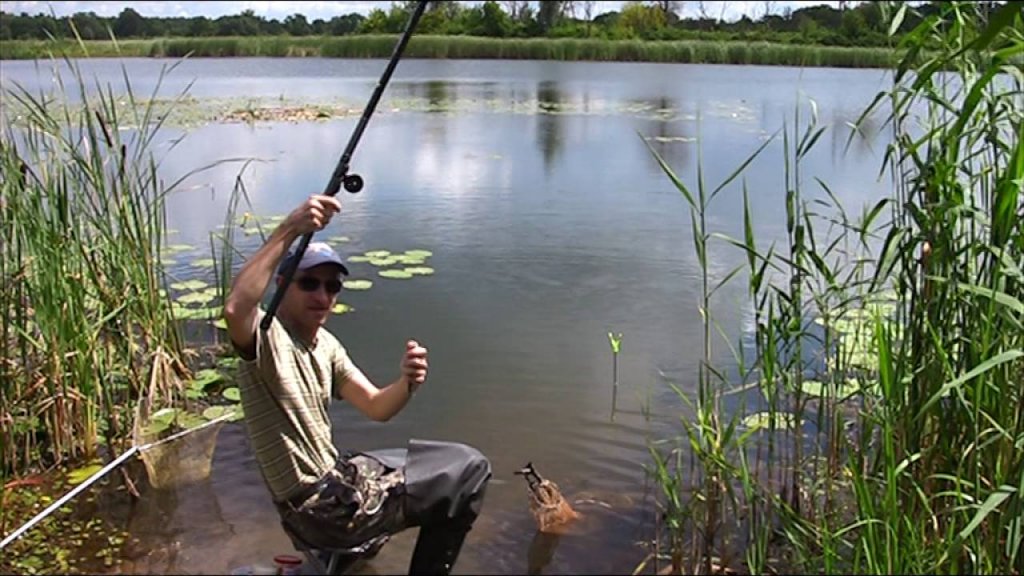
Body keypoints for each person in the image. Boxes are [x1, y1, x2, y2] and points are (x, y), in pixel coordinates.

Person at [223, 194, 491, 575]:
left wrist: (407, 382)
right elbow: (236, 308)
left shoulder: (325, 345)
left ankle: (343, 562)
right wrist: (290, 227)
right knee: (471, 469)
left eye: (332, 287)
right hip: (322, 510)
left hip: (333, 481)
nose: (322, 296)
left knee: (413, 461)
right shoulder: (266, 338)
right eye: (310, 283)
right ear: (282, 284)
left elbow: (377, 407)